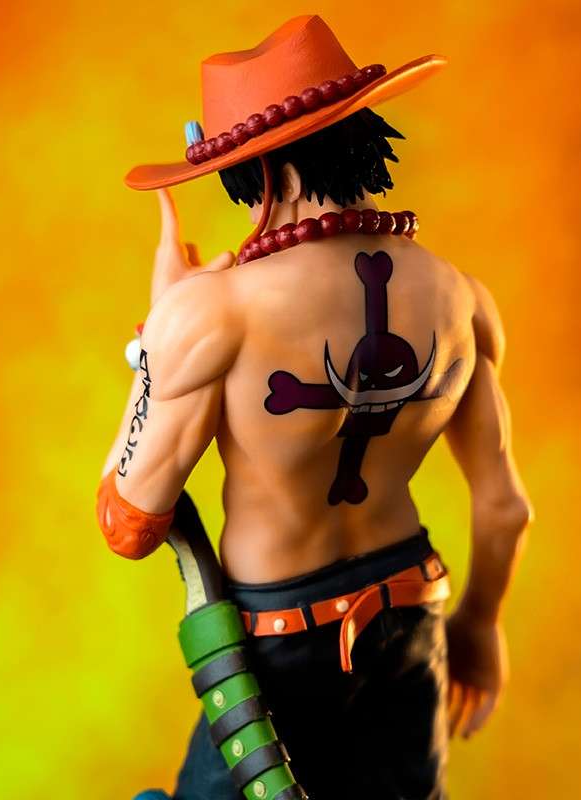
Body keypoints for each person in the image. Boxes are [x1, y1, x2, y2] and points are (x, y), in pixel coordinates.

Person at [97, 15, 532, 800]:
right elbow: (506, 508)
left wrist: (156, 337)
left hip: (276, 656)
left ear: (264, 174)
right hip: (414, 620)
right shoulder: (461, 297)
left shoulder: (214, 312)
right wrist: (478, 625)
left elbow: (128, 523)